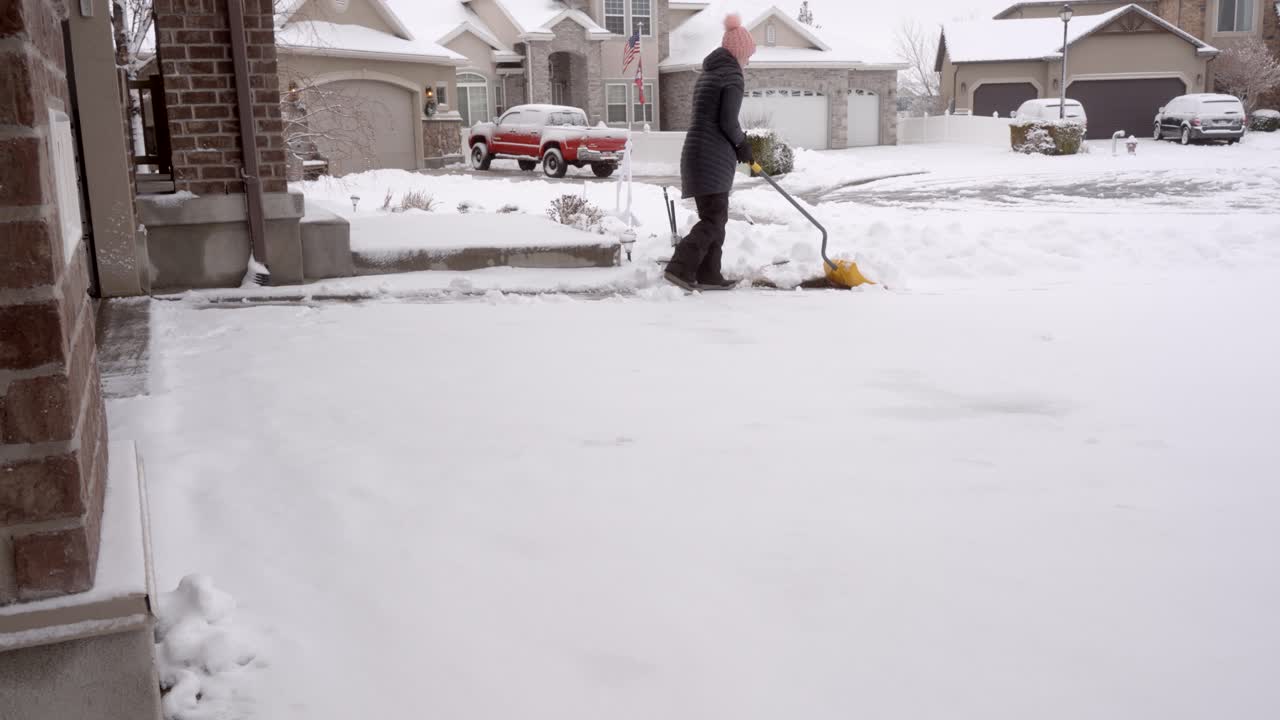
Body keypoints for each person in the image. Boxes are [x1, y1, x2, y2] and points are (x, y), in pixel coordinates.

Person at [664, 13, 757, 291]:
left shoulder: (710, 74)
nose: (748, 62)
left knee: (716, 217)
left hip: (697, 153)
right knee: (714, 219)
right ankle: (679, 268)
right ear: (739, 52)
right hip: (712, 157)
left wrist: (740, 146)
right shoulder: (732, 77)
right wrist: (742, 145)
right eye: (748, 55)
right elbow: (727, 122)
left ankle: (708, 273)